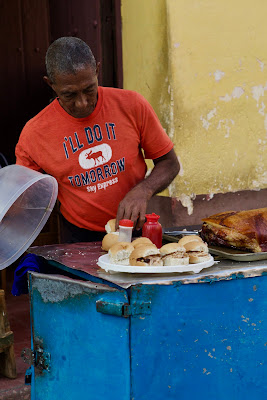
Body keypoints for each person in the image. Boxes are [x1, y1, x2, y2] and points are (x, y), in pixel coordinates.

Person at [15, 37, 179, 243]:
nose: (82, 103)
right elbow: (25, 197)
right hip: (78, 238)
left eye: (89, 89)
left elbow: (169, 163)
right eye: (69, 95)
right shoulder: (34, 134)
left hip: (136, 230)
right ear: (51, 84)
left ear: (97, 71)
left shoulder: (131, 105)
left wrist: (143, 190)